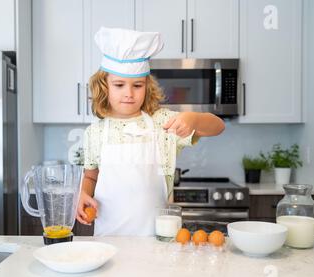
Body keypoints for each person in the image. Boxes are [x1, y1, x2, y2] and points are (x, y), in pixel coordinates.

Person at [76, 27, 225, 236]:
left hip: (157, 241)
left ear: (147, 87)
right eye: (119, 85)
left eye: (137, 85)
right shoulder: (95, 132)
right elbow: (91, 176)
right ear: (104, 87)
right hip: (109, 242)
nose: (129, 93)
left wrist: (194, 118)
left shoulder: (162, 123)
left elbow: (218, 126)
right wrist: (82, 194)